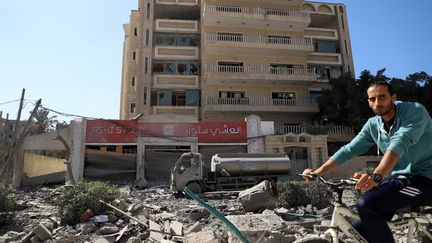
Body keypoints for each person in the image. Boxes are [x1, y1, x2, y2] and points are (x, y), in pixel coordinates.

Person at [303, 81, 432, 242]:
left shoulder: (414, 112)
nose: (377, 103)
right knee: (358, 231)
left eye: (382, 97)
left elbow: (400, 142)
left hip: (425, 180)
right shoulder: (373, 124)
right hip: (399, 180)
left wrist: (376, 176)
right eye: (373, 99)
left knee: (366, 204)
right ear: (368, 102)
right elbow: (349, 149)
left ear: (393, 97)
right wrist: (317, 172)